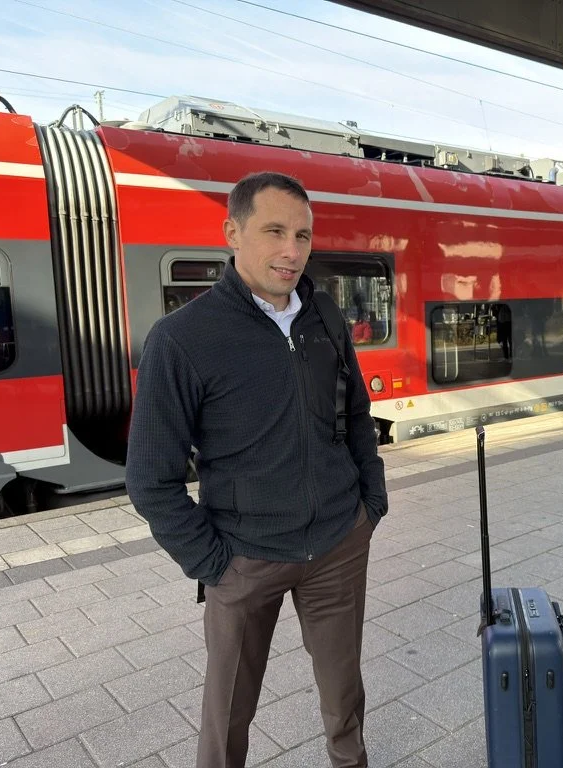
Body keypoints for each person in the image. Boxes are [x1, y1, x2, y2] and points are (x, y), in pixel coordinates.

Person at [125, 171, 388, 768]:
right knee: (228, 714)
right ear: (232, 233)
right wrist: (213, 564)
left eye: (303, 234)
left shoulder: (323, 314)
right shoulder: (182, 339)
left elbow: (355, 411)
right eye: (274, 231)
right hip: (244, 556)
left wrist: (368, 505)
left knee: (344, 698)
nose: (292, 250)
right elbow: (149, 476)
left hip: (337, 544)